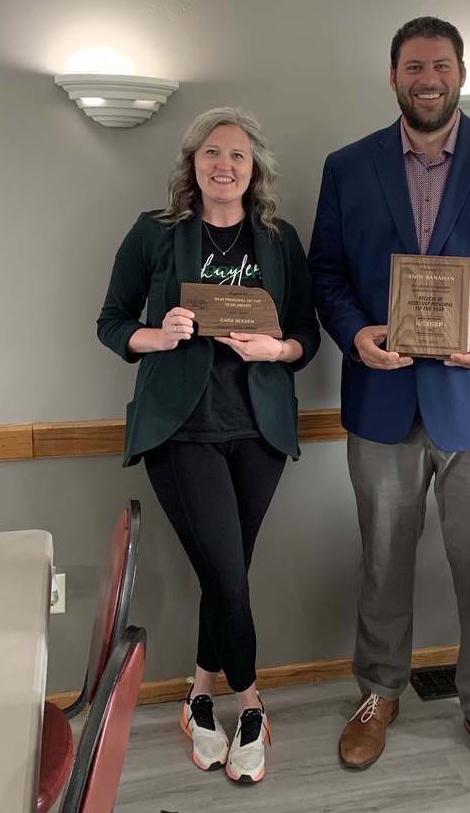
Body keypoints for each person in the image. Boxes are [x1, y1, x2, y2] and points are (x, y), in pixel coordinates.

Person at [308, 17, 470, 791]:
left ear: (461, 74)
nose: (428, 78)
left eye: (441, 65)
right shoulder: (348, 166)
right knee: (382, 565)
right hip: (381, 399)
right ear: (394, 77)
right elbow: (326, 271)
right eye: (414, 66)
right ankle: (379, 694)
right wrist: (354, 334)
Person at [98, 106, 319, 785]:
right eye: (212, 153)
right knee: (226, 573)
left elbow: (306, 333)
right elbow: (111, 322)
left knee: (227, 574)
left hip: (260, 430)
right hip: (182, 428)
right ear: (192, 164)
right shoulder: (156, 232)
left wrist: (276, 349)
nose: (224, 165)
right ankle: (250, 704)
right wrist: (158, 335)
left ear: (255, 170)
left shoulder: (278, 240)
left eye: (238, 155)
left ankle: (198, 697)